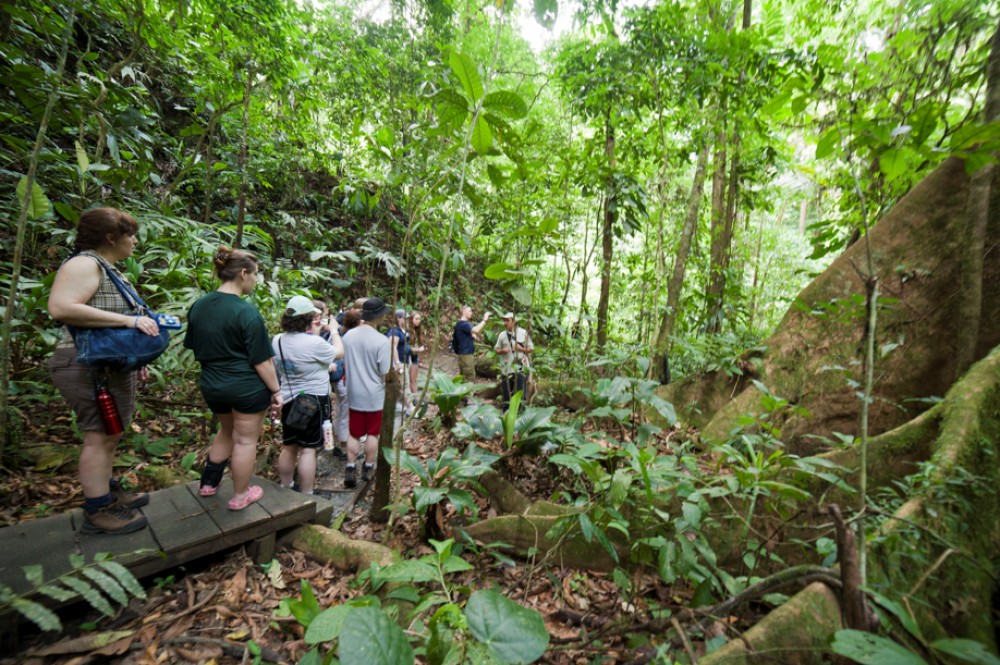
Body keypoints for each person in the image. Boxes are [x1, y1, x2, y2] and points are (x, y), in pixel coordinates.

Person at [47, 207, 160, 534]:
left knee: (111, 433)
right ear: (111, 237)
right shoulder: (84, 263)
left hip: (106, 365)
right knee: (98, 437)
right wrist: (130, 320)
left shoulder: (106, 267)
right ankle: (98, 510)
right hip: (85, 365)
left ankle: (108, 492)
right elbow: (61, 307)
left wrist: (133, 358)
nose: (135, 241)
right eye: (131, 234)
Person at [184, 246, 282, 511]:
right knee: (245, 440)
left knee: (227, 430)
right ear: (242, 274)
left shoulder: (199, 306)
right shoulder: (246, 312)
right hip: (246, 388)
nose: (255, 280)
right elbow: (261, 361)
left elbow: (194, 347)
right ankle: (241, 495)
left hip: (212, 385)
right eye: (255, 275)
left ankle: (208, 484)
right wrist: (276, 391)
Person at [273, 296, 342, 494]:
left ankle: (286, 486)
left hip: (288, 398)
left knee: (289, 446)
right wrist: (335, 331)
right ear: (307, 318)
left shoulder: (277, 340)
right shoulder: (314, 344)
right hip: (313, 400)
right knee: (308, 449)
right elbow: (338, 352)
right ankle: (307, 492)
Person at [341, 298, 392, 488]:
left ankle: (350, 466)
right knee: (372, 433)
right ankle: (368, 466)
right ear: (379, 317)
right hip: (374, 394)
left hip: (354, 391)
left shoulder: (348, 336)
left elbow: (345, 362)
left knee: (354, 433)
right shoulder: (381, 341)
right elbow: (384, 371)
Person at [313, 299, 348, 459]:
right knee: (324, 420)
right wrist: (334, 331)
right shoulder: (316, 340)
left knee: (325, 419)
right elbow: (338, 352)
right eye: (325, 314)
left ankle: (329, 447)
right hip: (317, 390)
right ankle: (326, 448)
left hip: (294, 394)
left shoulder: (281, 339)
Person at [494, 312, 534, 409]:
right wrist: (502, 350)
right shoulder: (502, 335)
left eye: (507, 320)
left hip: (519, 368)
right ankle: (506, 414)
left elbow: (531, 348)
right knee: (507, 394)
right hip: (506, 369)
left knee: (520, 393)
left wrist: (520, 349)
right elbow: (496, 349)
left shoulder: (523, 333)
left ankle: (521, 413)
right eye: (504, 320)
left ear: (514, 321)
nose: (505, 323)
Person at [386, 308, 414, 416]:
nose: (407, 320)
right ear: (398, 318)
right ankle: (410, 407)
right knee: (404, 384)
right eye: (404, 318)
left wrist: (410, 360)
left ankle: (399, 404)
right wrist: (396, 362)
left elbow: (407, 345)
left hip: (406, 360)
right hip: (399, 362)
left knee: (402, 384)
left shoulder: (404, 330)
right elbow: (392, 347)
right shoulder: (394, 332)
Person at [453, 305, 489, 383]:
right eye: (469, 311)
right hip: (466, 354)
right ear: (463, 312)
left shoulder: (462, 324)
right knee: (469, 376)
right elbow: (476, 330)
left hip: (463, 353)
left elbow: (464, 336)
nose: (471, 313)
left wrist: (472, 337)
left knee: (463, 376)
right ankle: (469, 394)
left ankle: (463, 393)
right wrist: (485, 320)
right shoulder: (463, 324)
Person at [408, 311, 426, 397]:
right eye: (416, 319)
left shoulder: (416, 331)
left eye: (419, 319)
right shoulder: (407, 331)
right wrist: (418, 349)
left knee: (414, 379)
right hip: (407, 357)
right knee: (409, 379)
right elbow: (406, 347)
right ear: (411, 319)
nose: (419, 321)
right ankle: (412, 398)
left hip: (414, 356)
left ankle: (416, 398)